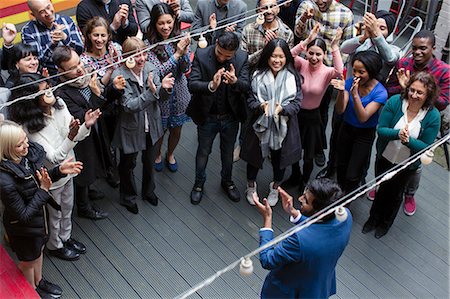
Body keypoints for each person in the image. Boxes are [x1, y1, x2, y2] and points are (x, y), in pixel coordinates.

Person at [8, 73, 101, 261]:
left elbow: (74, 134)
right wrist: (72, 136)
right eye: (43, 91)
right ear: (31, 98)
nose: (49, 91)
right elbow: (54, 157)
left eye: (48, 86)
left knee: (68, 207)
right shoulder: (29, 127)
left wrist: (85, 126)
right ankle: (55, 245)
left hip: (70, 167)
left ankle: (65, 238)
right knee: (55, 214)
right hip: (52, 176)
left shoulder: (60, 105)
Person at [0, 120, 83, 298]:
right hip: (23, 229)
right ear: (6, 148)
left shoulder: (25, 159)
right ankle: (31, 289)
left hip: (38, 221)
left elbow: (39, 179)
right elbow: (23, 215)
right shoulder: (4, 181)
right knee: (28, 262)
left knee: (38, 253)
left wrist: (59, 170)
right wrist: (44, 190)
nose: (26, 145)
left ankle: (39, 281)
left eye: (25, 140)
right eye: (20, 144)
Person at [362, 72, 440, 238]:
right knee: (381, 187)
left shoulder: (432, 117)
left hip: (407, 166)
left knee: (396, 195)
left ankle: (385, 223)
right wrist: (398, 134)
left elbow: (426, 147)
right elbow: (381, 130)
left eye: (420, 92)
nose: (414, 95)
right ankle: (373, 219)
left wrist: (408, 141)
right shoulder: (395, 102)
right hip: (385, 157)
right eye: (412, 90)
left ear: (428, 95)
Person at [53, 45, 122, 220]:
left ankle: (90, 192)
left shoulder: (88, 76)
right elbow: (83, 117)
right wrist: (97, 94)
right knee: (84, 171)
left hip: (97, 132)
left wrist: (112, 89)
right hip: (81, 140)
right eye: (72, 68)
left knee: (95, 164)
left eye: (79, 63)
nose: (79, 69)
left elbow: (104, 99)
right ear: (60, 70)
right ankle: (84, 207)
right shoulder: (62, 92)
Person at [385, 30, 449, 213]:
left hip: (425, 120)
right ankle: (383, 183)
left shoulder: (444, 71)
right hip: (400, 115)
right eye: (414, 48)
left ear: (433, 48)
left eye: (423, 48)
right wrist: (403, 89)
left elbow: (443, 103)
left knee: (415, 161)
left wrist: (409, 89)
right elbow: (389, 88)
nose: (417, 52)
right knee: (390, 152)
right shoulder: (404, 63)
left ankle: (409, 193)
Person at [254, 178, 352, 298]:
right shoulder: (345, 217)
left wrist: (267, 219)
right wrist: (295, 214)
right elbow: (320, 229)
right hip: (318, 288)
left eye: (305, 200)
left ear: (319, 212)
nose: (300, 199)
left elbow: (267, 260)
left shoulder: (299, 240)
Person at [110, 37, 174, 214]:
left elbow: (161, 97)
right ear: (125, 57)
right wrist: (152, 92)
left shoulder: (151, 69)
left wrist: (165, 89)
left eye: (144, 53)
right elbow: (129, 106)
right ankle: (128, 197)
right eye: (136, 55)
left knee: (149, 161)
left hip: (151, 126)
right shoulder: (119, 76)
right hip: (130, 129)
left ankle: (148, 191)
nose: (141, 59)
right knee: (127, 165)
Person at [187, 32, 250, 205]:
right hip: (208, 116)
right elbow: (192, 84)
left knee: (227, 153)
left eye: (227, 56)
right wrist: (211, 85)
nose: (222, 58)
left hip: (230, 117)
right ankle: (198, 184)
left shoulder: (243, 58)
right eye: (219, 53)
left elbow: (246, 86)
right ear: (216, 43)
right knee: (203, 152)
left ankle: (227, 181)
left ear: (235, 52)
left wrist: (235, 81)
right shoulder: (201, 54)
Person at [241, 38, 302, 207]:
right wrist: (261, 106)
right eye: (273, 56)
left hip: (284, 126)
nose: (277, 60)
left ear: (287, 57)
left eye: (281, 56)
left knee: (279, 159)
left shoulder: (293, 77)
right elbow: (250, 100)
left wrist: (282, 110)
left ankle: (275, 186)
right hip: (258, 124)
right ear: (267, 56)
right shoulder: (257, 75)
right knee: (254, 157)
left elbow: (297, 103)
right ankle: (251, 186)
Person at [282, 25, 343, 192]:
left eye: (318, 54)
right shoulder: (301, 64)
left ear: (324, 55)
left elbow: (339, 70)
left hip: (313, 117)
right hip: (296, 114)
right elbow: (287, 55)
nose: (314, 57)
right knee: (294, 150)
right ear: (306, 52)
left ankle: (304, 181)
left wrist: (335, 47)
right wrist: (306, 41)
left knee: (309, 156)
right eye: (311, 52)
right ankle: (295, 175)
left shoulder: (327, 71)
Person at [295, 0, 354, 169]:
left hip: (328, 72)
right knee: (298, 107)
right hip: (306, 69)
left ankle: (317, 148)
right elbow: (297, 33)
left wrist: (334, 72)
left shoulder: (345, 14)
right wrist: (304, 19)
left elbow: (347, 48)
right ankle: (293, 146)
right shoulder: (306, 6)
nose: (319, 1)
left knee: (321, 112)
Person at [332, 51, 387, 195]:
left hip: (364, 134)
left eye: (361, 72)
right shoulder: (349, 83)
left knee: (353, 171)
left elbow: (363, 117)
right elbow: (340, 109)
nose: (356, 75)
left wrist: (355, 95)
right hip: (346, 128)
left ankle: (348, 197)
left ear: (372, 71)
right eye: (354, 70)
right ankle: (338, 192)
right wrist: (340, 91)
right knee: (341, 164)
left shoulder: (380, 92)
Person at [146, 3, 192, 172]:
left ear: (174, 20)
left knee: (177, 130)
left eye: (168, 22)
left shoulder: (179, 38)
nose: (166, 27)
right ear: (154, 24)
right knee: (160, 131)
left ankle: (170, 153)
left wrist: (185, 53)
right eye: (161, 23)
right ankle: (157, 154)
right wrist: (177, 55)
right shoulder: (148, 44)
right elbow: (155, 73)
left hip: (180, 93)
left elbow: (186, 69)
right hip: (161, 97)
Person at [21, 0, 84, 76]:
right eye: (42, 12)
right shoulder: (28, 31)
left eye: (48, 7)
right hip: (51, 77)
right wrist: (52, 43)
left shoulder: (67, 21)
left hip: (76, 71)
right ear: (34, 15)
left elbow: (80, 50)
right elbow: (36, 63)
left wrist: (65, 38)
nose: (48, 13)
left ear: (51, 3)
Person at [341, 10, 400, 84]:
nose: (375, 30)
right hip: (349, 87)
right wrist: (363, 37)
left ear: (389, 33)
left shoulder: (393, 50)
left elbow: (390, 59)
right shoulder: (361, 43)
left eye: (382, 28)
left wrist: (376, 34)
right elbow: (344, 49)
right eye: (374, 27)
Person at [241, 0, 294, 70]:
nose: (269, 11)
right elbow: (243, 62)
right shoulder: (248, 30)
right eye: (264, 8)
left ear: (278, 9)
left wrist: (275, 46)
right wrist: (264, 50)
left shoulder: (287, 33)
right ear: (258, 10)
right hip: (252, 75)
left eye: (272, 6)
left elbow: (288, 63)